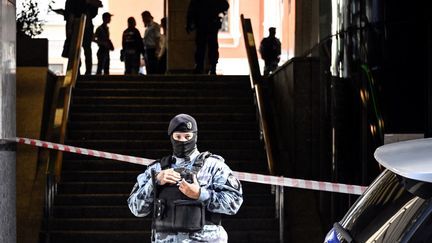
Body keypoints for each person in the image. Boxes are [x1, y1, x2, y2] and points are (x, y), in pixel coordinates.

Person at [128, 114, 243, 242]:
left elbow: (234, 202)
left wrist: (200, 194)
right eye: (178, 137)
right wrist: (154, 182)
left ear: (195, 136)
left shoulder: (214, 166)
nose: (183, 141)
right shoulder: (156, 169)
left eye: (188, 136)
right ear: (171, 137)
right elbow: (136, 209)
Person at [186, 0, 229, 75]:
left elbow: (191, 10)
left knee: (203, 47)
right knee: (208, 46)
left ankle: (204, 67)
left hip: (204, 24)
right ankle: (210, 67)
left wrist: (189, 24)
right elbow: (191, 9)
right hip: (208, 23)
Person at [63, 0, 102, 75]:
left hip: (77, 26)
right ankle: (87, 70)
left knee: (75, 49)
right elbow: (97, 7)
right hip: (86, 25)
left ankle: (78, 70)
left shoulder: (71, 2)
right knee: (86, 49)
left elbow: (70, 14)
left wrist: (69, 29)